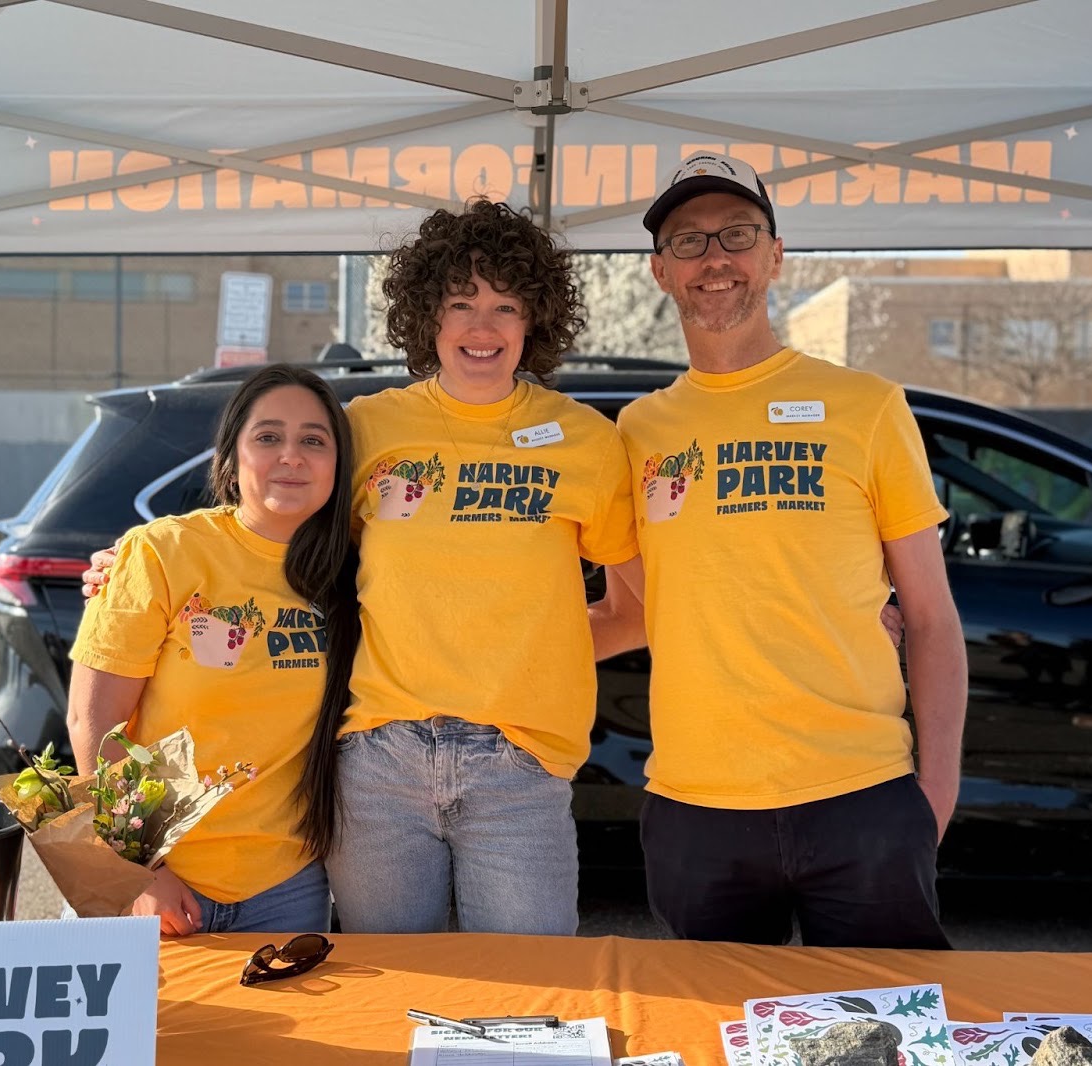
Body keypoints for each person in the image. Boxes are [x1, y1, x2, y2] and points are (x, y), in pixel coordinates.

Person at [86, 200, 641, 935]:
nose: (483, 327)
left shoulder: (587, 444)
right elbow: (278, 541)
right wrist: (124, 568)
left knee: (531, 995)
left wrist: (528, 656)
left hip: (519, 766)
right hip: (378, 765)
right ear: (425, 316)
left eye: (506, 305)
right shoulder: (365, 429)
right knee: (384, 992)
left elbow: (635, 608)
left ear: (535, 319)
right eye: (460, 303)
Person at [598, 152, 968, 948]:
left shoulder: (866, 407)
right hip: (697, 809)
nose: (715, 258)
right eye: (688, 242)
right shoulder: (636, 433)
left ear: (775, 254)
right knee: (711, 1036)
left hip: (861, 796)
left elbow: (932, 619)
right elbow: (633, 614)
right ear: (660, 271)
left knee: (893, 1031)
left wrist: (934, 790)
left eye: (737, 233)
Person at [67, 363, 359, 937]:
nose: (292, 456)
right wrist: (141, 867)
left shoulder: (357, 569)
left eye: (314, 441)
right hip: (159, 880)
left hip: (287, 885)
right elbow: (93, 720)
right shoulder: (163, 552)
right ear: (230, 458)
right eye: (268, 436)